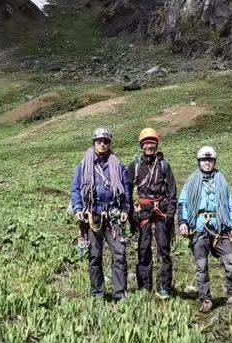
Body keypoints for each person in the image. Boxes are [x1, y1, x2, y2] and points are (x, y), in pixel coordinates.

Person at [70, 127, 132, 301]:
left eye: (106, 141)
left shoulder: (118, 165)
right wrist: (78, 209)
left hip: (113, 215)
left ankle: (120, 294)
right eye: (99, 141)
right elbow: (76, 189)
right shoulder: (83, 165)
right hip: (92, 215)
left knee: (119, 254)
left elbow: (126, 189)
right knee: (95, 256)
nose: (102, 144)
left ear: (110, 143)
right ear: (94, 143)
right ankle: (98, 294)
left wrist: (126, 209)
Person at [178, 145, 232, 313]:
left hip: (220, 227)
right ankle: (205, 298)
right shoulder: (191, 181)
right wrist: (183, 222)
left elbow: (229, 203)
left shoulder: (222, 180)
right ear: (199, 162)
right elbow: (183, 203)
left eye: (210, 160)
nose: (207, 163)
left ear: (214, 161)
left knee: (231, 262)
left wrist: (231, 226)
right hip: (199, 227)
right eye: (204, 160)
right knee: (202, 265)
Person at [128, 127, 178, 300]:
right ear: (142, 145)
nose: (149, 146)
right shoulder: (135, 166)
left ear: (156, 145)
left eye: (152, 143)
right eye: (146, 143)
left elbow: (172, 192)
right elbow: (127, 191)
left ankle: (164, 287)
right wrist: (131, 214)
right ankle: (144, 287)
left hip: (162, 213)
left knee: (164, 251)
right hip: (143, 214)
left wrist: (170, 214)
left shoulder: (164, 166)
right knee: (143, 250)